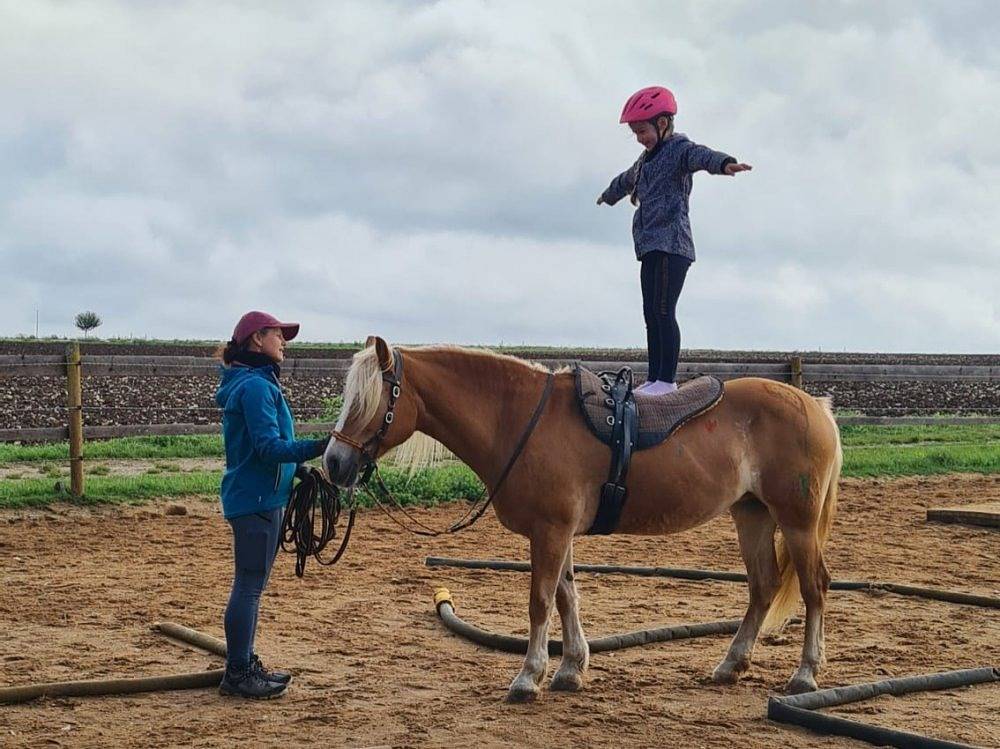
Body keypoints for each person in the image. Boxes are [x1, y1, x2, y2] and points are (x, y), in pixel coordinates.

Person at [597, 86, 751, 395]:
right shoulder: (644, 162)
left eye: (643, 130)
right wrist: (608, 195)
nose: (640, 138)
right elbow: (625, 180)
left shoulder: (679, 149)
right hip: (649, 247)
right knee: (650, 313)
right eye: (636, 133)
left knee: (664, 311)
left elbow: (702, 156)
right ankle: (655, 379)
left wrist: (725, 164)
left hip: (672, 245)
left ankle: (667, 381)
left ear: (663, 123)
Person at [213, 310, 330, 699]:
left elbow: (268, 445)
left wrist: (300, 470)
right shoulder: (257, 388)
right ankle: (239, 672)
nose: (284, 342)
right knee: (248, 586)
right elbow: (267, 448)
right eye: (279, 335)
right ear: (257, 339)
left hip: (259, 497)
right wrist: (321, 446)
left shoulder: (253, 384)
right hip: (257, 500)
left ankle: (243, 663)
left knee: (251, 585)